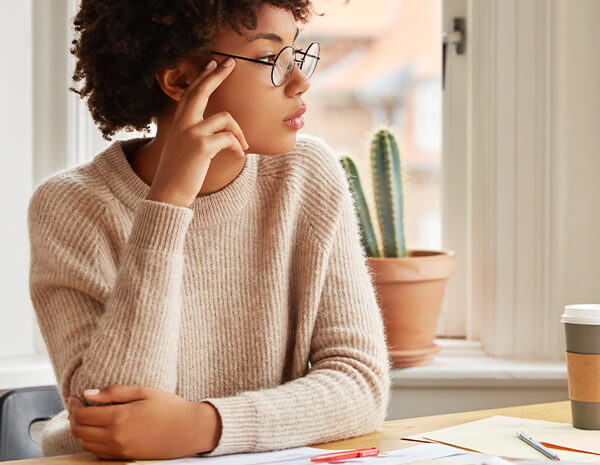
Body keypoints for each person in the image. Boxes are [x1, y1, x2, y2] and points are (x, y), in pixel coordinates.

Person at [27, 0, 390, 459]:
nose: (301, 81)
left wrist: (206, 426)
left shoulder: (307, 174)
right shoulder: (72, 206)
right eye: (272, 59)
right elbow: (111, 423)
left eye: (296, 54)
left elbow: (359, 384)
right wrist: (166, 206)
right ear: (180, 79)